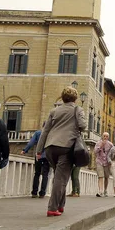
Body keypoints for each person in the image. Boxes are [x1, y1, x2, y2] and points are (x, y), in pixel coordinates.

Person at [36, 87, 86, 217]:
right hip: (66, 146)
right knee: (60, 178)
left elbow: (45, 131)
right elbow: (82, 125)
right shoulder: (77, 109)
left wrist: (39, 150)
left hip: (50, 147)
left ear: (63, 98)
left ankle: (60, 205)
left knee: (61, 176)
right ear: (75, 99)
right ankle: (52, 208)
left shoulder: (54, 110)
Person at [21, 123, 49, 198]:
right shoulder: (51, 134)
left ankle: (34, 192)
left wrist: (24, 150)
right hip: (48, 157)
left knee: (37, 173)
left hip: (38, 156)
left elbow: (31, 143)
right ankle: (42, 193)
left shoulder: (38, 133)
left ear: (42, 126)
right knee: (45, 175)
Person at [94, 132, 113, 197]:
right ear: (102, 136)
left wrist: (111, 161)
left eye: (106, 136)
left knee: (106, 177)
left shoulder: (110, 145)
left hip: (107, 163)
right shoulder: (98, 143)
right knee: (100, 176)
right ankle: (100, 191)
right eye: (104, 136)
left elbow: (112, 154)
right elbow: (95, 151)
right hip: (99, 161)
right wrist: (101, 146)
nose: (105, 137)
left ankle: (105, 190)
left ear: (108, 137)